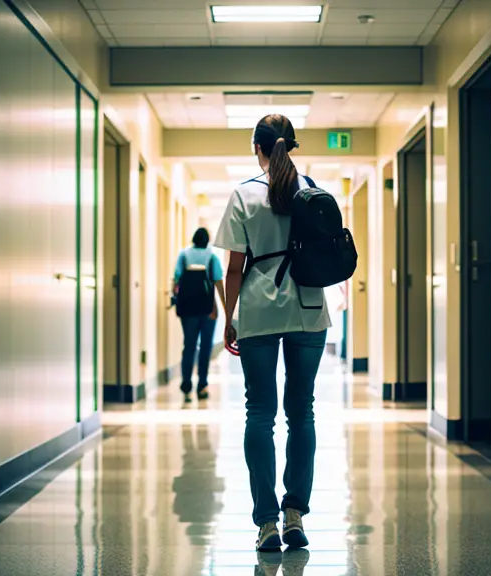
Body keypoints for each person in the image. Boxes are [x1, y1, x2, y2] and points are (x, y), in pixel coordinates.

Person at [214, 114, 331, 551]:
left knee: (260, 414)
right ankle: (295, 514)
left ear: (257, 148)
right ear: (291, 147)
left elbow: (234, 267)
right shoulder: (313, 190)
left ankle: (265, 522)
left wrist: (229, 318)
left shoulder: (244, 194)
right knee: (302, 411)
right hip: (308, 309)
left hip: (260, 311)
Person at [174, 228, 225, 402]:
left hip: (188, 309)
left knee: (188, 345)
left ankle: (186, 383)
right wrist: (223, 307)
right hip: (207, 308)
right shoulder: (212, 257)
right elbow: (218, 281)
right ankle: (202, 385)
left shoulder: (183, 255)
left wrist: (175, 298)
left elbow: (176, 278)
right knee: (205, 347)